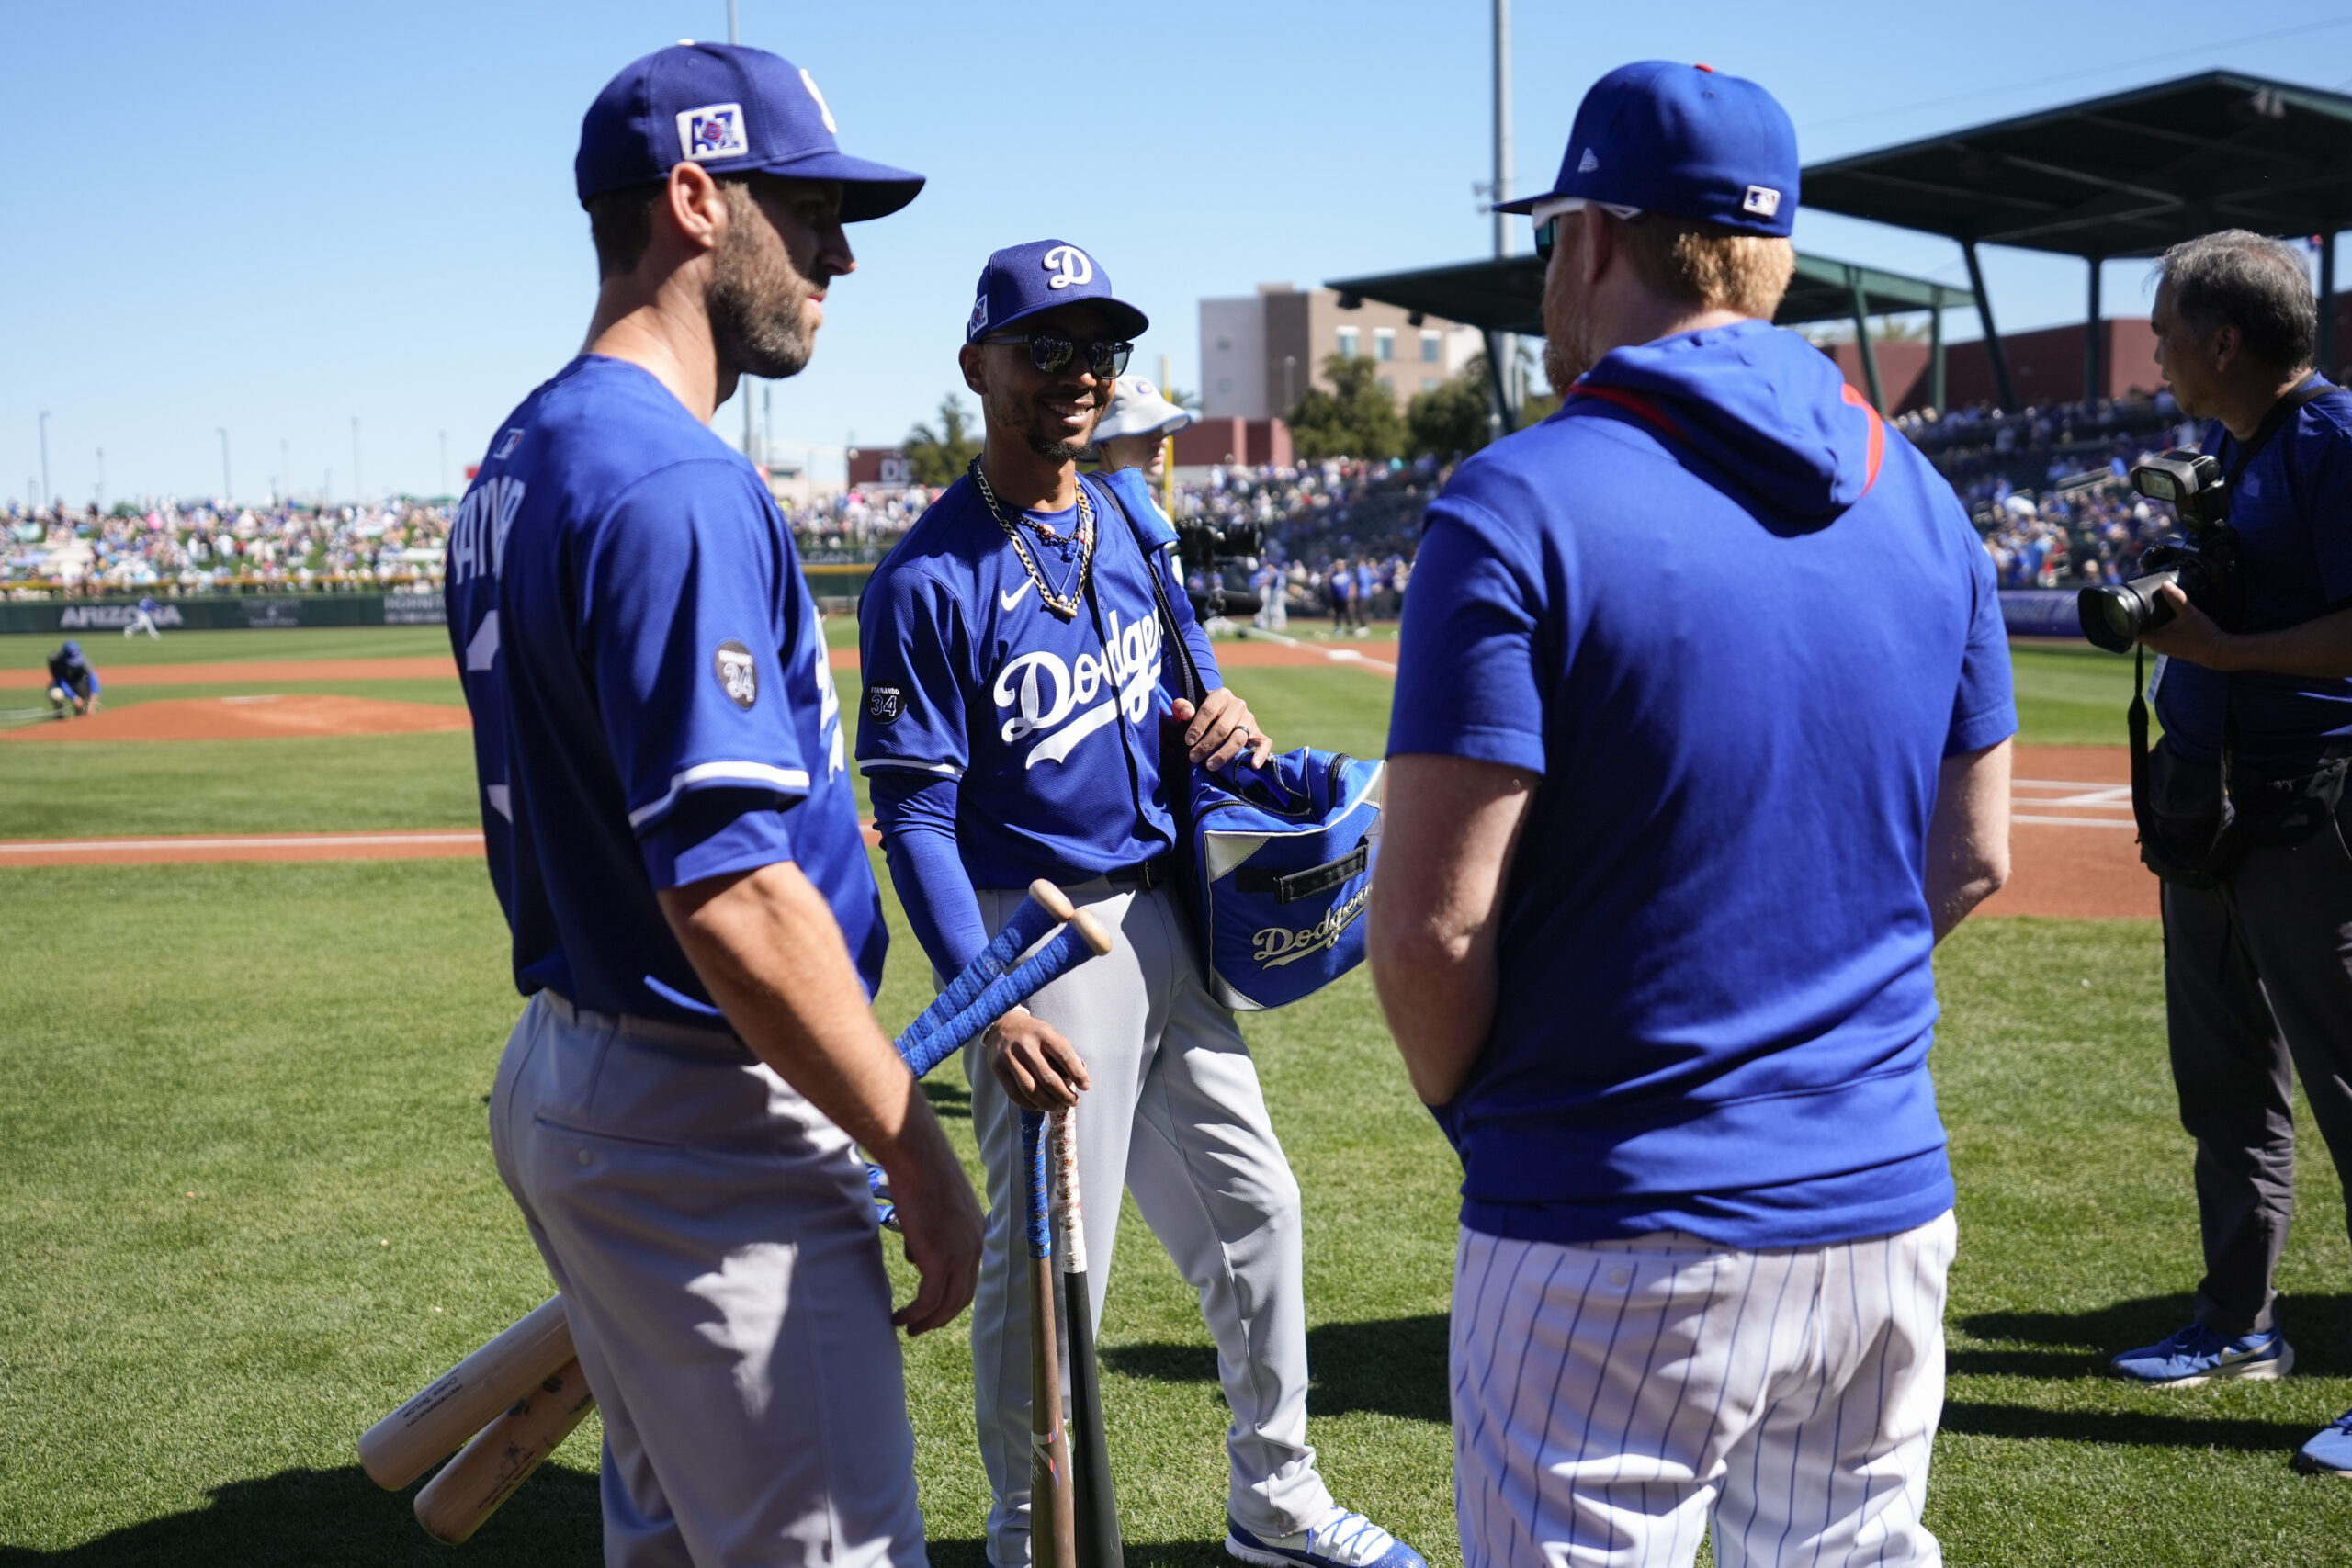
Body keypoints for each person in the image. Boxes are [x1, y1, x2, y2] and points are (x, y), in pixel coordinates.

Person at [1367, 62, 2014, 1568]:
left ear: (1595, 237)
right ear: (1772, 253)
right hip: (1881, 1204)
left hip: (1608, 1210)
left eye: (1552, 240)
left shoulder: (1514, 501)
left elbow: (1431, 925)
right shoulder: (1925, 499)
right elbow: (1975, 851)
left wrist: (1497, 1114)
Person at [443, 42, 980, 1567]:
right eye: (808, 210)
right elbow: (732, 889)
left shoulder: (520, 455)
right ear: (695, 200)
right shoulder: (671, 481)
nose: (841, 253)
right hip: (705, 1114)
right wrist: (912, 1149)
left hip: (586, 1066)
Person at [857, 239, 1423, 1568]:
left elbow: (1190, 699)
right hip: (1041, 937)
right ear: (978, 364)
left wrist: (1223, 719)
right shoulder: (928, 579)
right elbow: (917, 815)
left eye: (1100, 350)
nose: (1079, 374)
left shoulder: (1129, 522)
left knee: (1260, 1209)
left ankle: (1276, 1499)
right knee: (1062, 1272)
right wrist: (987, 995)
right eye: (1047, 346)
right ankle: (1023, 1531)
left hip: (1168, 919)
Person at [2100, 231, 2352, 1476]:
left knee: (2350, 1087)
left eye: (2162, 328)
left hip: (2312, 807)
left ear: (2224, 341)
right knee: (2227, 1082)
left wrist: (2230, 656)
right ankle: (2237, 1325)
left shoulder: (2336, 443)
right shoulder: (2228, 448)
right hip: (2211, 807)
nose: (2150, 349)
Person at [45, 640, 99, 718]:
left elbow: (93, 680)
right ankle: (59, 714)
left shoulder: (84, 660)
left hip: (77, 682)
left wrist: (92, 702)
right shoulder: (56, 661)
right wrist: (74, 698)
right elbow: (61, 682)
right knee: (56, 694)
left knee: (83, 687)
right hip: (62, 683)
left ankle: (82, 712)